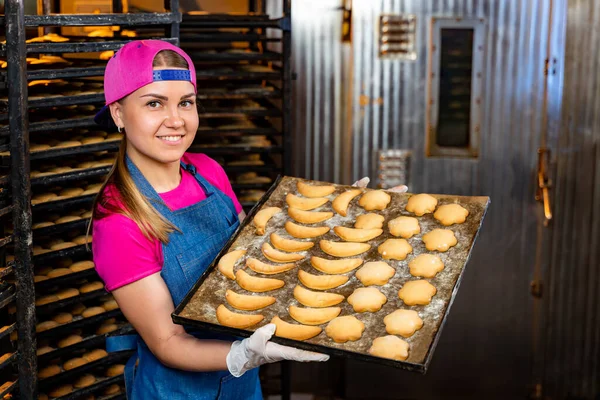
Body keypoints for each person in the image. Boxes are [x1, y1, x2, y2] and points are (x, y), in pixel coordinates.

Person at [90, 40, 330, 400]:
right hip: (177, 391)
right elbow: (168, 341)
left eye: (185, 102)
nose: (176, 120)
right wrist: (241, 355)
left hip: (243, 385)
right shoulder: (118, 220)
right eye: (154, 103)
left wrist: (325, 218)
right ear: (119, 114)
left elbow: (254, 256)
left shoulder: (207, 170)